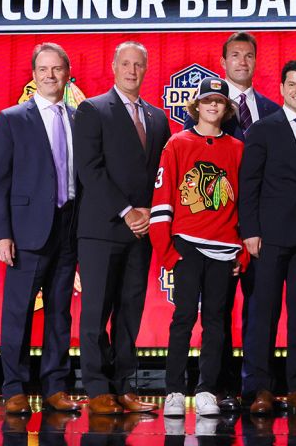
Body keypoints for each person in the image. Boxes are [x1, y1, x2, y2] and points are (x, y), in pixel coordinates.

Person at [183, 31, 278, 412]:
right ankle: (219, 387)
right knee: (217, 312)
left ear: (257, 61)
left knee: (262, 308)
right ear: (222, 63)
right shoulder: (210, 111)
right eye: (235, 55)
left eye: (249, 55)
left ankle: (258, 388)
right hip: (217, 229)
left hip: (262, 231)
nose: (242, 61)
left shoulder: (273, 110)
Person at [74, 41, 169, 415]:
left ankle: (124, 385)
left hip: (141, 233)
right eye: (126, 64)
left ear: (146, 69)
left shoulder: (158, 118)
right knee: (96, 311)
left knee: (130, 310)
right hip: (102, 229)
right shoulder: (92, 109)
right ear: (114, 66)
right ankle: (97, 388)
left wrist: (149, 215)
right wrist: (127, 210)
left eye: (138, 65)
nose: (132, 71)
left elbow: (159, 175)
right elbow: (89, 169)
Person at [0, 43, 83, 415]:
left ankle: (55, 386)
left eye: (57, 69)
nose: (50, 75)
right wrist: (0, 234)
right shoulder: (12, 118)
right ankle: (13, 387)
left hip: (69, 227)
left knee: (60, 312)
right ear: (33, 74)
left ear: (67, 74)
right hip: (26, 231)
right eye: (43, 69)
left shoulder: (81, 117)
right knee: (19, 312)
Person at [238, 61, 296, 416]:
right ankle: (260, 389)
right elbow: (249, 184)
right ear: (281, 88)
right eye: (291, 84)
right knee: (264, 313)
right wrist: (250, 231)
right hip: (269, 237)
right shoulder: (263, 130)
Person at [150, 79, 246, 418]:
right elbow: (162, 200)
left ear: (226, 108)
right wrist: (167, 251)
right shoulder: (177, 144)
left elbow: (245, 204)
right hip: (187, 247)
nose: (213, 106)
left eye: (219, 101)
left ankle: (207, 389)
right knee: (183, 318)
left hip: (223, 249)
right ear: (196, 106)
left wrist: (243, 250)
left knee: (216, 322)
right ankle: (174, 389)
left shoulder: (237, 148)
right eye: (207, 101)